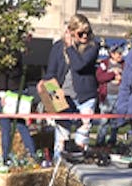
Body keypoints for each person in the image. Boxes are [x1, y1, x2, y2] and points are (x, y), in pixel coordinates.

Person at [39, 14, 100, 156]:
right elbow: (50, 73)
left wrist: (70, 47)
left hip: (85, 97)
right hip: (63, 96)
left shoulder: (93, 46)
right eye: (81, 33)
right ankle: (58, 165)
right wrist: (49, 95)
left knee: (82, 137)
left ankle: (79, 167)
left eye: (88, 32)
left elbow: (79, 65)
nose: (85, 36)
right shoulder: (57, 47)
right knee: (61, 136)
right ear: (70, 31)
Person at [0, 51, 39, 164]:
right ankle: (31, 153)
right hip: (19, 91)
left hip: (9, 94)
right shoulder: (19, 55)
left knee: (6, 128)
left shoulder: (5, 55)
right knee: (21, 126)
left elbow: (3, 74)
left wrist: (2, 93)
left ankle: (5, 156)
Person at [95, 43, 125, 146]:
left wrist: (121, 77)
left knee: (115, 121)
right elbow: (99, 77)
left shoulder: (124, 65)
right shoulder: (105, 64)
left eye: (121, 53)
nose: (120, 55)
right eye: (118, 53)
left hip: (119, 96)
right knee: (104, 120)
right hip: (107, 96)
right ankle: (100, 141)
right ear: (112, 54)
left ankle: (112, 141)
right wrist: (112, 74)